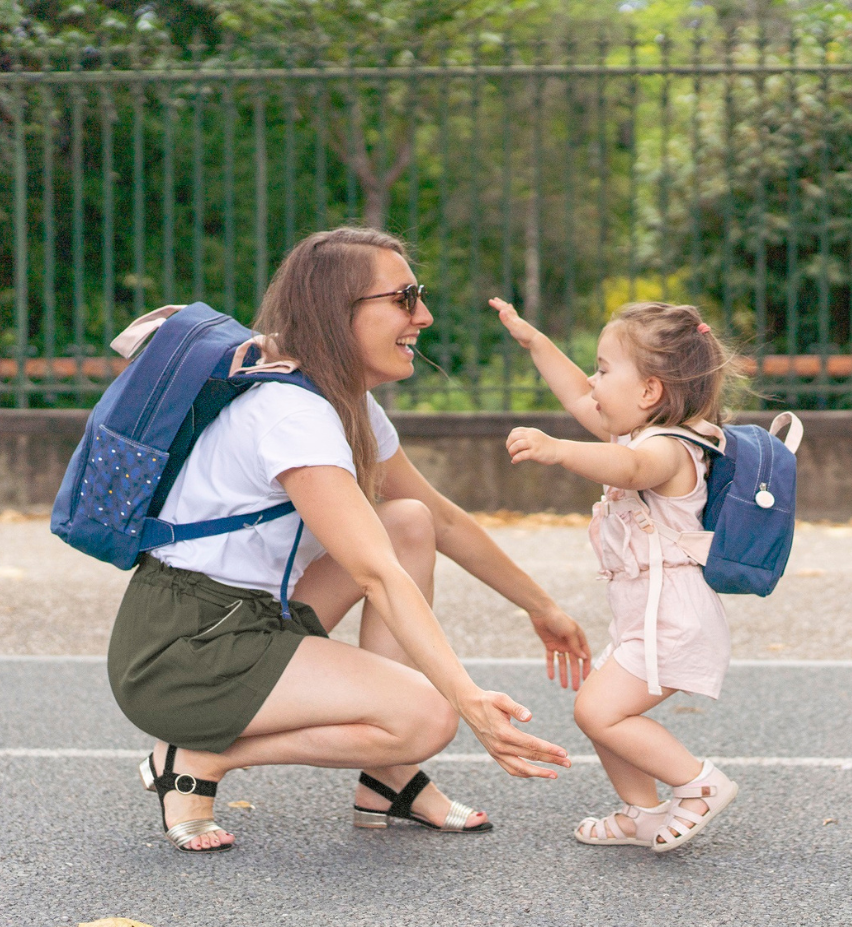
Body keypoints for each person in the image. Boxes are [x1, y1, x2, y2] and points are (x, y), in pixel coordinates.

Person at [108, 227, 591, 853]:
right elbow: (374, 574)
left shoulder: (339, 398)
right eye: (404, 297)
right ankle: (200, 757)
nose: (424, 315)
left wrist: (541, 606)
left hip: (250, 615)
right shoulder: (292, 414)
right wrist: (464, 696)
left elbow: (438, 520)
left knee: (408, 519)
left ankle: (387, 781)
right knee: (428, 715)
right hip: (185, 649)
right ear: (340, 314)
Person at [490, 296, 740, 853]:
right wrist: (534, 342)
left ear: (649, 391)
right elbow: (580, 395)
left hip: (674, 614)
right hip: (643, 612)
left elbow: (629, 469)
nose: (593, 383)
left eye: (604, 370)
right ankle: (642, 813)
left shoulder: (669, 448)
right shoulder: (638, 431)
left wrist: (557, 449)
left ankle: (698, 784)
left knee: (597, 711)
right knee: (603, 712)